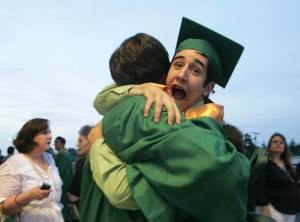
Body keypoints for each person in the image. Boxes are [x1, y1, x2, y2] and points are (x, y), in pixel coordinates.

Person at [85, 17, 250, 222]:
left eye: (196, 70)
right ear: (165, 75)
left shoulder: (203, 130)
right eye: (178, 64)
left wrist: (97, 144)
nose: (181, 75)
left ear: (207, 88)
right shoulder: (149, 109)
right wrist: (138, 88)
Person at [0, 118, 64, 221]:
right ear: (31, 137)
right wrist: (28, 196)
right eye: (44, 132)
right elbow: (3, 208)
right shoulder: (15, 162)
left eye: (49, 132)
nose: (50, 136)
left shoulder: (50, 159)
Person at [255, 133, 299, 222]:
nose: (278, 144)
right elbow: (260, 186)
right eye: (275, 142)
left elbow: (292, 182)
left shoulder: (288, 165)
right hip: (274, 208)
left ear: (284, 147)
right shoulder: (265, 163)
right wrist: (264, 207)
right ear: (269, 146)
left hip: (291, 210)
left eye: (281, 142)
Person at [68, 125, 92, 208]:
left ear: (91, 141)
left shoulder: (83, 163)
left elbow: (73, 197)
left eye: (80, 141)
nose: (77, 145)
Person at [54, 136, 74, 221]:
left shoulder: (62, 155)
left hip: (63, 186)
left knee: (63, 209)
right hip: (66, 185)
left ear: (62, 144)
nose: (55, 144)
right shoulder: (66, 154)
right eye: (55, 142)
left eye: (57, 142)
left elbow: (60, 173)